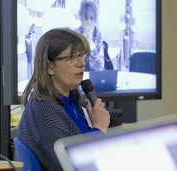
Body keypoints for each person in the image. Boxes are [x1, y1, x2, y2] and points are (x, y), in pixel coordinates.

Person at [16, 28, 110, 170]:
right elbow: (75, 165)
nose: (81, 63)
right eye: (71, 57)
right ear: (50, 67)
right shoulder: (43, 110)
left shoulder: (72, 103)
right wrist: (99, 128)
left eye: (81, 56)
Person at [76, 0, 113, 71]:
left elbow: (99, 67)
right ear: (81, 20)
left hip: (95, 76)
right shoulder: (75, 34)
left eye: (91, 18)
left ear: (95, 20)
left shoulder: (98, 35)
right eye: (86, 18)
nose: (89, 22)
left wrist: (90, 43)